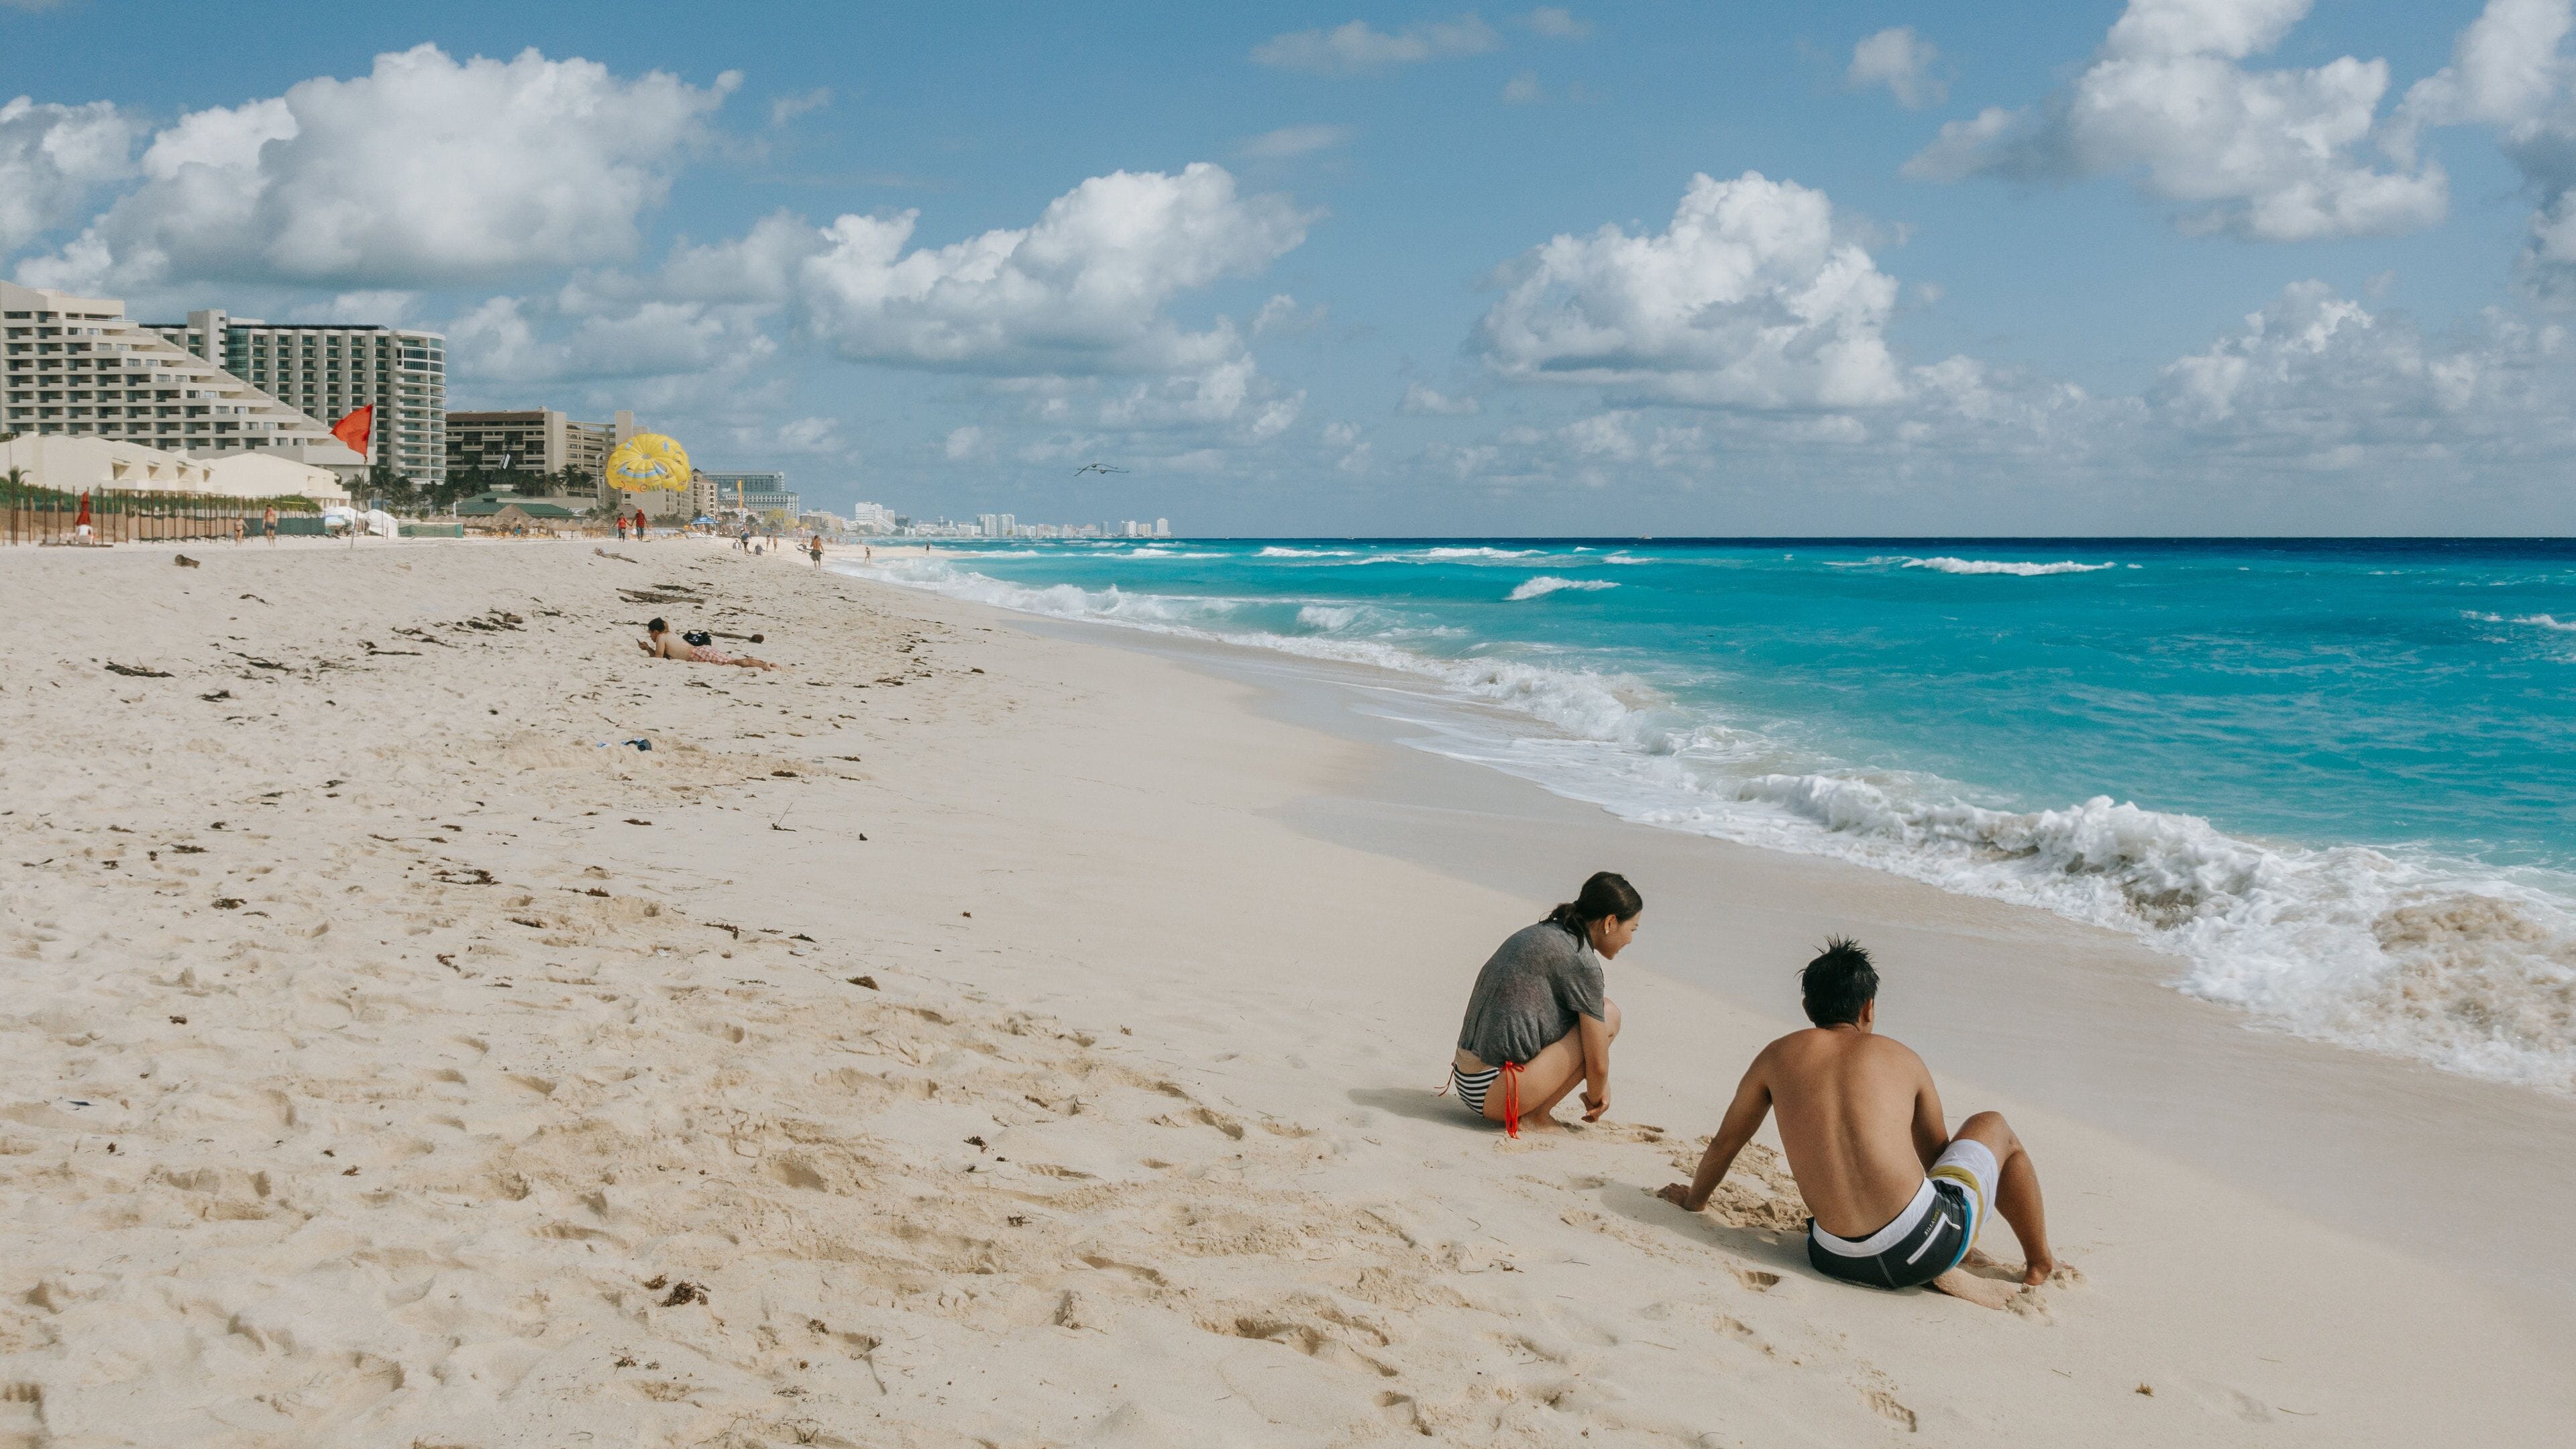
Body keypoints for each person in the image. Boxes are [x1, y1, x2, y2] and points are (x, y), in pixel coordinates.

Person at [1658, 938, 2058, 1308]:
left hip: (1833, 1257)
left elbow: (1726, 1142)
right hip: (1922, 1249)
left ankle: (1943, 1253)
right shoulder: (1901, 1057)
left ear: (1807, 1008)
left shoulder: (1775, 1056)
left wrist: (1695, 1202)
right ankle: (2039, 1263)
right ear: (1868, 1008)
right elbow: (1939, 1159)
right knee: (1993, 1125)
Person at [1448, 871, 1639, 1136]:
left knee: (1589, 1021)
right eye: (1632, 929)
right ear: (1610, 922)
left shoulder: (1545, 932)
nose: (1630, 939)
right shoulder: (1582, 961)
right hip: (1497, 1091)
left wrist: (1599, 1078)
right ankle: (1536, 1116)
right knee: (1609, 1015)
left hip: (1466, 1079)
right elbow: (1597, 1063)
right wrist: (1598, 1096)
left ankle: (1531, 1109)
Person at [638, 616, 777, 670]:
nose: (650, 636)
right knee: (733, 660)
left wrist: (649, 649)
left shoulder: (661, 638)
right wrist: (648, 648)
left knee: (734, 662)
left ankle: (764, 666)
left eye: (650, 633)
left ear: (656, 632)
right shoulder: (669, 634)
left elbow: (659, 658)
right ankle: (766, 664)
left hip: (697, 655)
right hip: (702, 650)